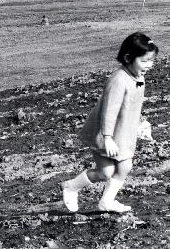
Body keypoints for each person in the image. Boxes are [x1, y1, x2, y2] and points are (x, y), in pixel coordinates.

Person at [60, 32, 158, 213]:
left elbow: (134, 105)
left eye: (152, 60)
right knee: (105, 172)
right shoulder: (118, 80)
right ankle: (71, 186)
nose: (149, 65)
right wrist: (107, 138)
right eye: (144, 61)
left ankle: (106, 202)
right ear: (128, 57)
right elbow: (109, 111)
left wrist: (140, 124)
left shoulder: (138, 77)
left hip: (122, 131)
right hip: (104, 132)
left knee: (125, 166)